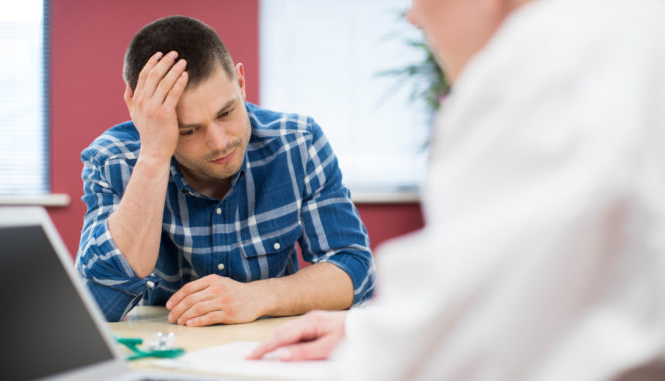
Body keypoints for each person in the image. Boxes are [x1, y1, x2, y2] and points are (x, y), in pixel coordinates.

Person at [248, 0, 665, 379]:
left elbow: (462, 341)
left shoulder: (539, 67)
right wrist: (364, 329)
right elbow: (562, 287)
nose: (413, 17)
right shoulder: (629, 32)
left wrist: (389, 341)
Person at [75, 16, 376, 325]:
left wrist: (260, 296)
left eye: (226, 112)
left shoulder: (298, 142)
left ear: (241, 83)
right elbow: (98, 304)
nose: (219, 143)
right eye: (188, 131)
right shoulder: (113, 160)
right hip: (164, 357)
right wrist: (153, 156)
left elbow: (355, 270)